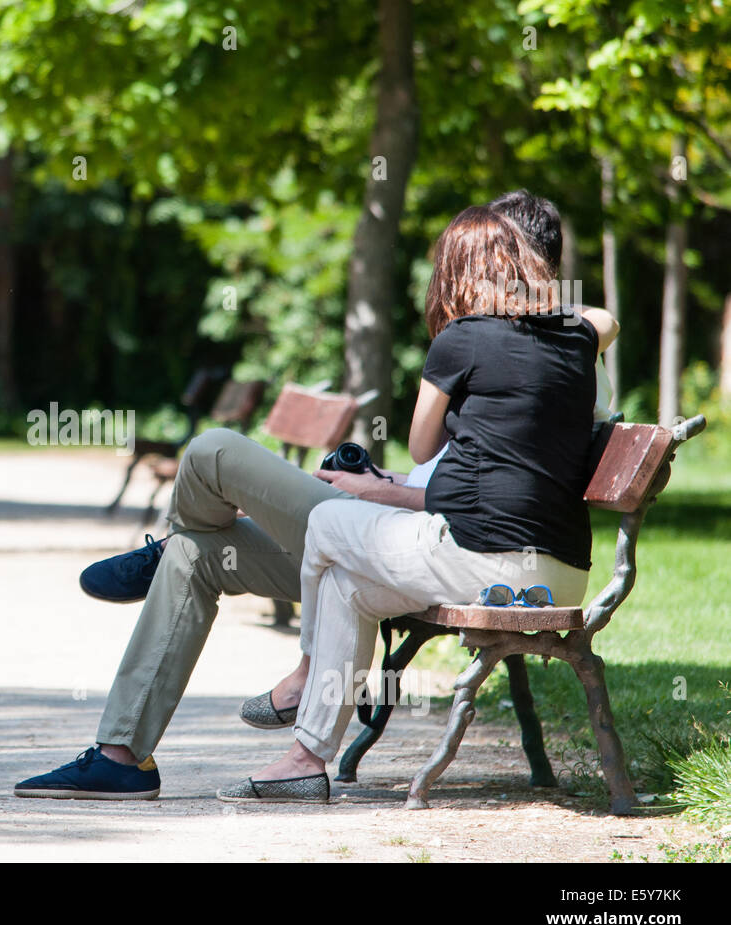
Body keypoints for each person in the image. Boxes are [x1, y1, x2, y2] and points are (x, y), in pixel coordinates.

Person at [13, 194, 613, 801]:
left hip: (461, 550)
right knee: (195, 556)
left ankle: (299, 671)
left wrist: (379, 491)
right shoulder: (577, 343)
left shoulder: (484, 340)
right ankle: (137, 757)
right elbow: (494, 466)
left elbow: (471, 470)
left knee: (215, 452)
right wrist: (385, 487)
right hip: (490, 550)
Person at [217, 205, 618, 802]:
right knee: (349, 588)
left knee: (327, 519)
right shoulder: (578, 338)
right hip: (564, 576)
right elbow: (600, 316)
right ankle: (306, 758)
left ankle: (304, 675)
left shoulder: (460, 340)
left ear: (457, 273)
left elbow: (421, 445)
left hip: (488, 563)